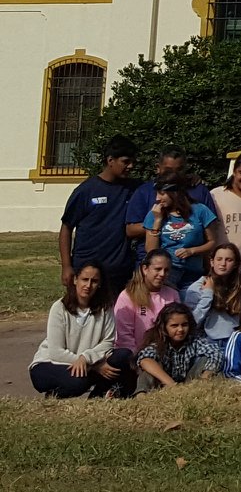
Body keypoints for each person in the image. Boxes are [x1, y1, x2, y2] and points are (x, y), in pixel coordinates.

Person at [31, 263, 126, 398]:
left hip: (86, 361)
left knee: (123, 356)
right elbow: (56, 352)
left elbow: (108, 341)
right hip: (50, 363)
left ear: (99, 284)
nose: (88, 285)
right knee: (79, 382)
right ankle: (54, 395)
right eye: (84, 279)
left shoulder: (106, 307)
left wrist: (86, 358)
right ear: (75, 280)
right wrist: (93, 366)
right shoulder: (59, 308)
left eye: (94, 281)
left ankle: (98, 395)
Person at [59, 136, 137, 295]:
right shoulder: (86, 191)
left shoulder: (134, 189)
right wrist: (67, 266)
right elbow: (66, 228)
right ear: (110, 160)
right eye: (126, 161)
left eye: (133, 162)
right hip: (88, 272)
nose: (131, 166)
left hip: (120, 272)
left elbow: (163, 186)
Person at [135, 303, 222, 390]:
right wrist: (172, 385)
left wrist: (205, 376)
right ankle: (141, 397)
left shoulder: (194, 340)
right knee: (147, 373)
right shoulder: (158, 343)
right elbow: (145, 360)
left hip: (189, 384)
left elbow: (215, 353)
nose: (180, 329)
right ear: (164, 327)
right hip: (164, 384)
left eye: (184, 325)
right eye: (174, 326)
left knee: (207, 361)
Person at [115, 250, 179, 356]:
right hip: (133, 355)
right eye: (158, 269)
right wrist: (138, 358)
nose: (162, 274)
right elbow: (124, 335)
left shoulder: (173, 294)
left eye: (166, 270)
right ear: (145, 269)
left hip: (165, 354)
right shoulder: (128, 295)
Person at [186, 241, 241, 341]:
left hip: (236, 339)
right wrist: (207, 295)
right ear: (212, 262)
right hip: (207, 341)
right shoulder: (197, 287)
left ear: (236, 264)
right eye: (219, 259)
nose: (223, 264)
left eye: (229, 260)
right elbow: (192, 322)